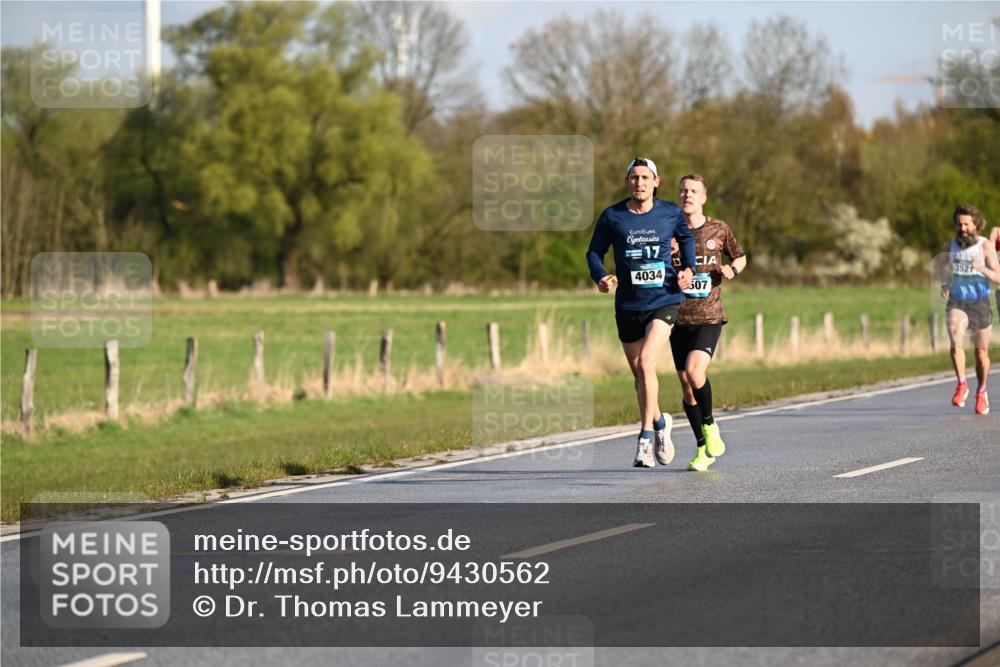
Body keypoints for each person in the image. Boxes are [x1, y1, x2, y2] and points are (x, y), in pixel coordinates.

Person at [586, 157, 696, 467]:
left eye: (645, 177)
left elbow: (687, 238)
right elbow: (594, 251)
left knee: (648, 362)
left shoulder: (670, 213)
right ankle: (661, 423)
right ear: (627, 182)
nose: (640, 182)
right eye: (634, 177)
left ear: (656, 182)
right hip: (628, 304)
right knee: (640, 375)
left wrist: (688, 268)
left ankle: (645, 437)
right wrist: (601, 276)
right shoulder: (613, 217)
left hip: (665, 299)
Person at [668, 175, 747, 471]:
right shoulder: (669, 230)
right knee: (687, 388)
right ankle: (702, 449)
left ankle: (711, 424)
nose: (687, 195)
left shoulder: (718, 228)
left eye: (693, 191)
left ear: (703, 198)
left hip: (709, 316)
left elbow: (740, 257)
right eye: (683, 191)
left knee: (694, 371)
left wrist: (732, 270)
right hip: (676, 319)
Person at [941, 204, 1000, 415]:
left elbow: (998, 277)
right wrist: (945, 284)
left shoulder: (985, 247)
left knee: (981, 353)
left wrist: (981, 268)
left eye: (966, 224)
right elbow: (945, 268)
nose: (962, 228)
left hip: (980, 302)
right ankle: (962, 384)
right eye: (959, 224)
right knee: (955, 337)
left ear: (976, 224)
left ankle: (981, 391)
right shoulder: (950, 246)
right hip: (958, 301)